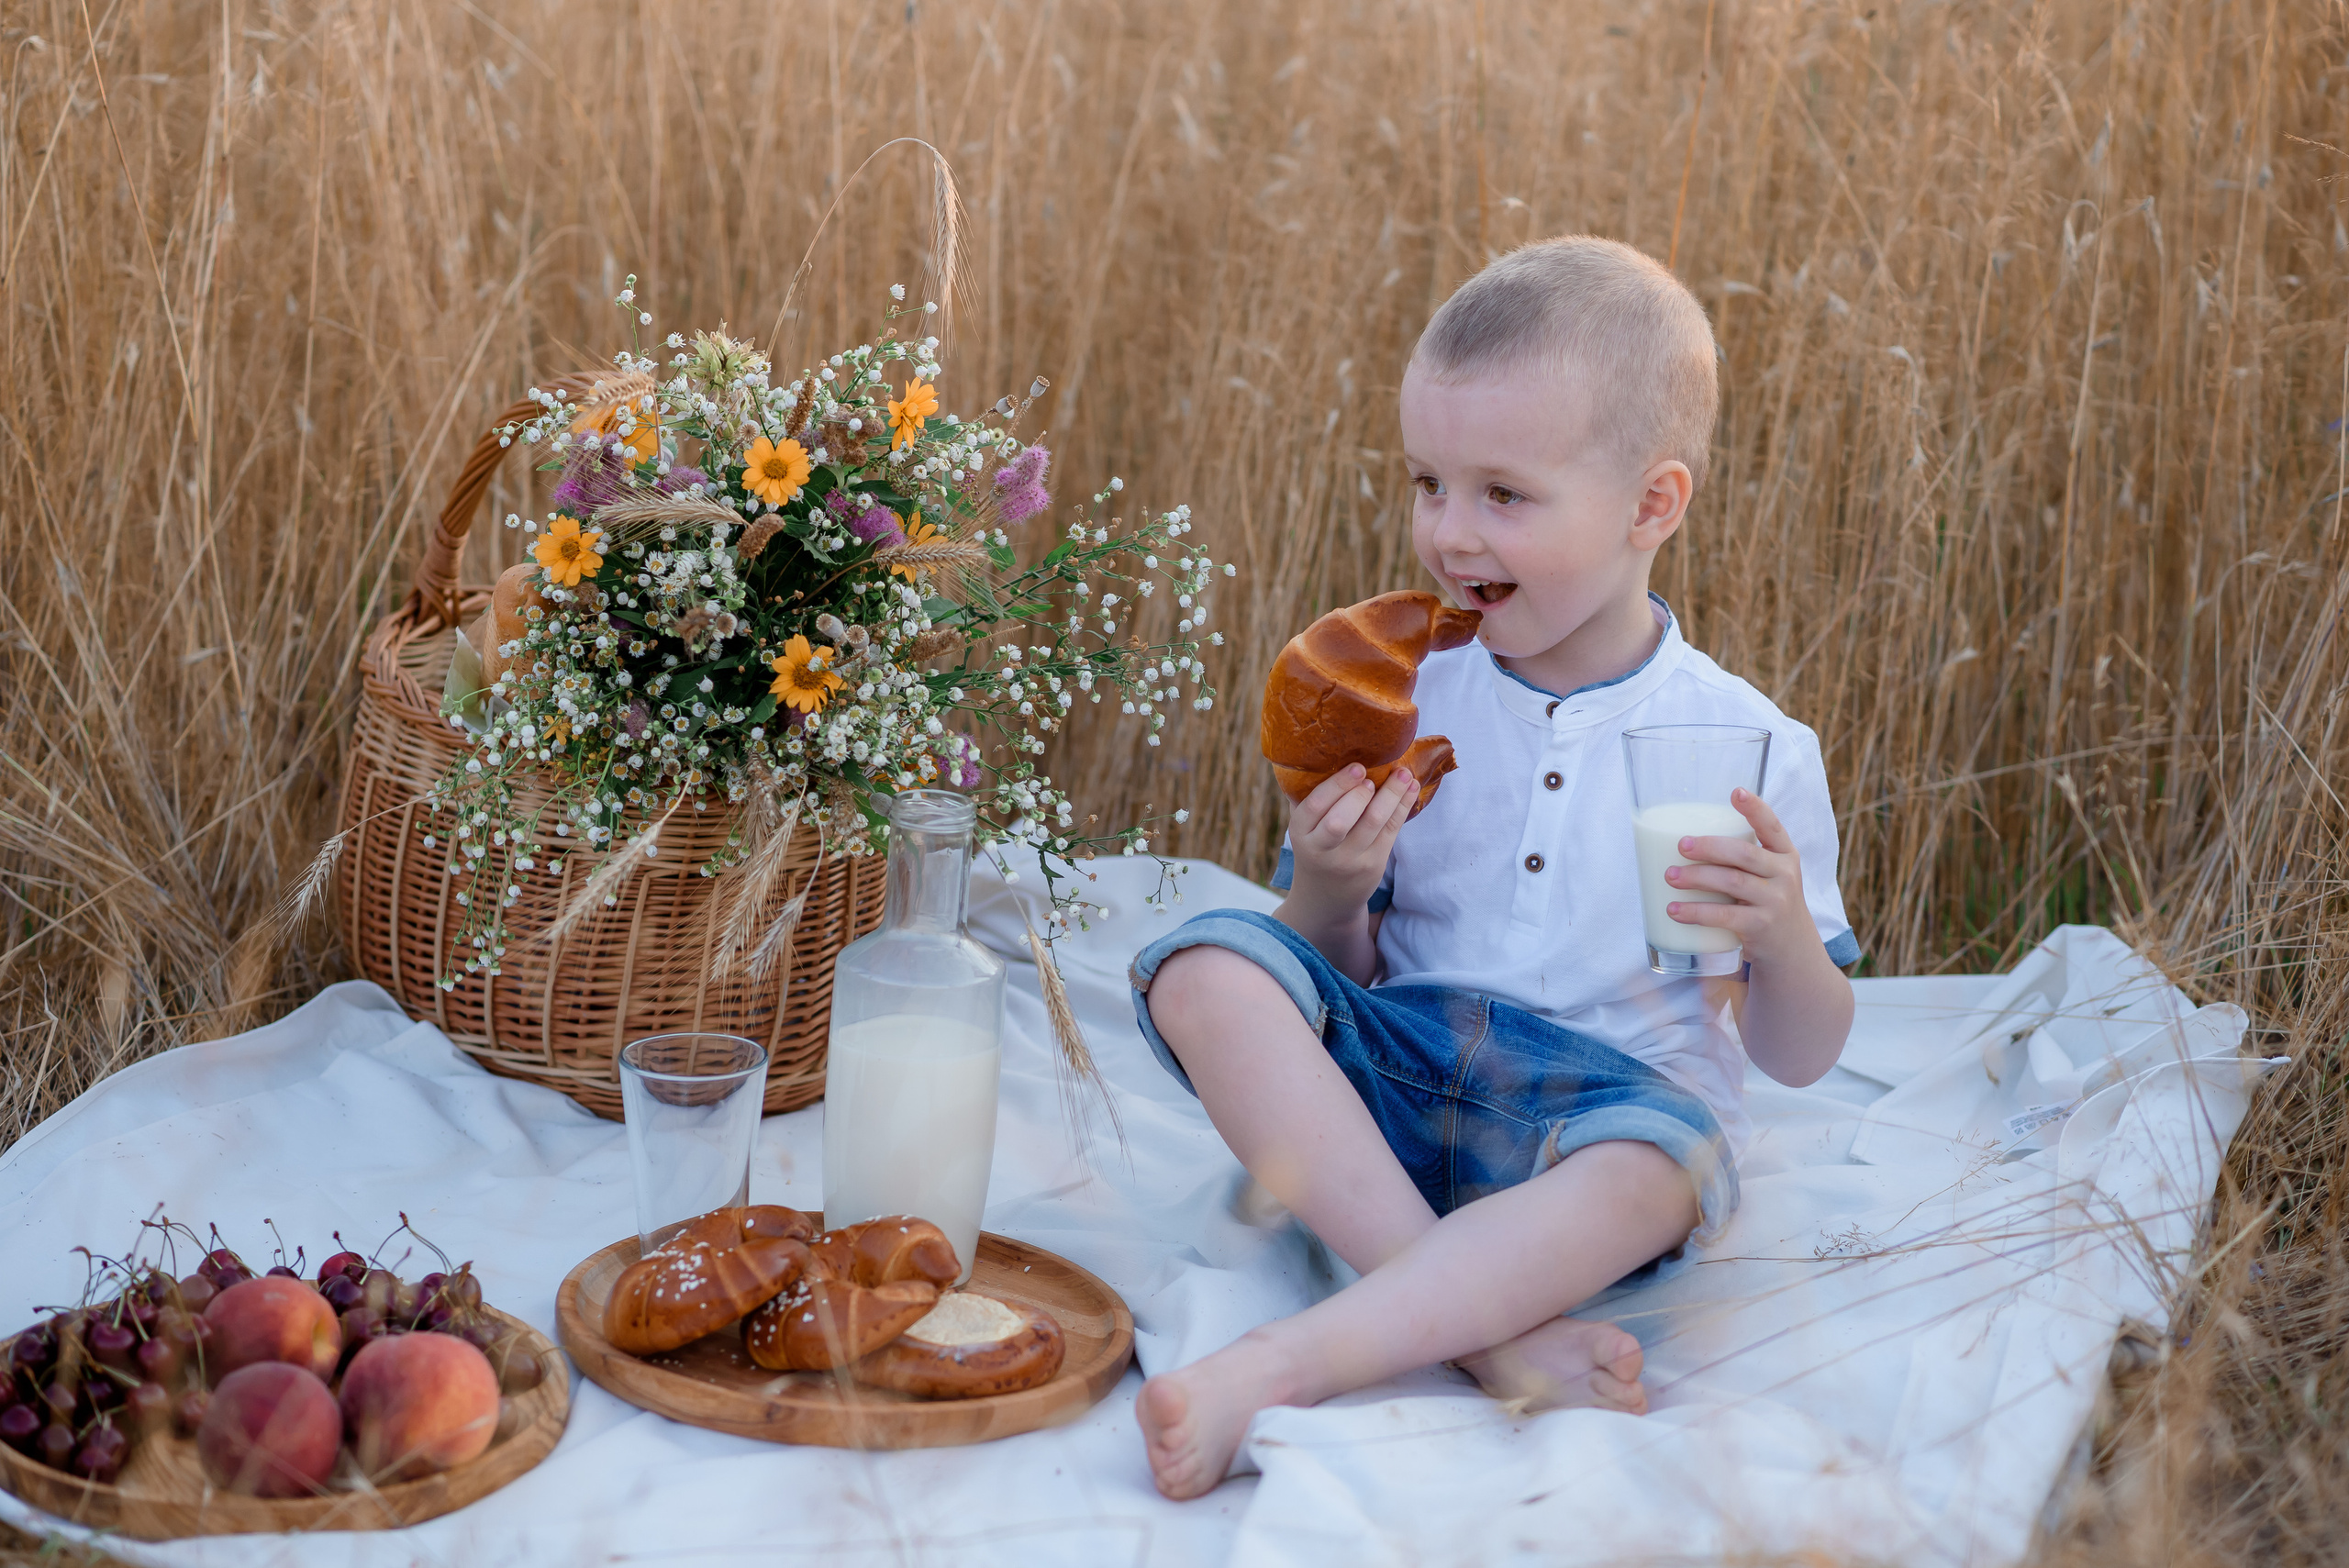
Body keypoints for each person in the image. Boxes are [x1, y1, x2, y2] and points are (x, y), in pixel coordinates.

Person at [1126, 236, 1861, 1500]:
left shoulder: (1749, 745)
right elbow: (1332, 969)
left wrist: (1785, 935)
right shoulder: (1402, 693)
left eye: (1503, 496)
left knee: (1664, 1165)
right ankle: (1492, 1335)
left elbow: (1798, 1052)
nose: (1448, 533)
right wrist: (1335, 885)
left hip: (1601, 1122)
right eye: (1428, 482)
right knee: (1202, 967)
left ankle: (1290, 1357)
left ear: (1652, 505)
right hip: (1396, 1091)